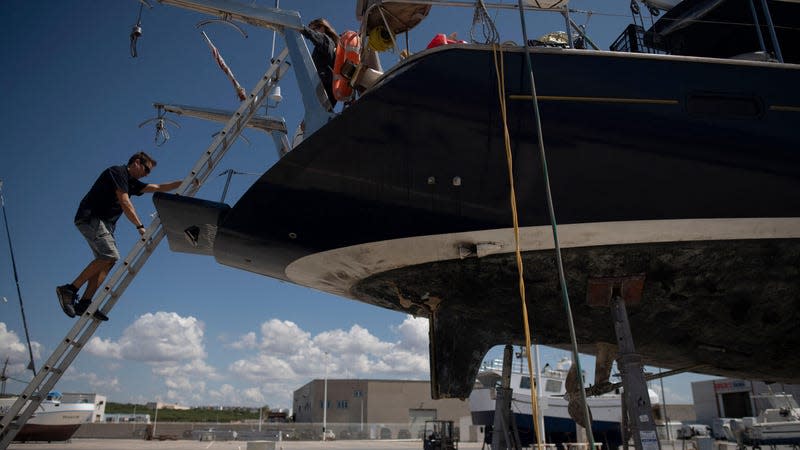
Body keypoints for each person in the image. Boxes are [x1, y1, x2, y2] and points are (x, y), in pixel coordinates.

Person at [56, 151, 181, 321]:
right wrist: (140, 226)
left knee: (108, 261)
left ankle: (85, 302)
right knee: (109, 255)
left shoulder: (131, 183)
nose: (146, 174)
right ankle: (69, 289)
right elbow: (125, 202)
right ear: (136, 162)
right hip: (91, 218)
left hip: (105, 224)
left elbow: (158, 188)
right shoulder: (118, 172)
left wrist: (186, 182)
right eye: (146, 170)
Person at [301, 17, 339, 111]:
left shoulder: (326, 40)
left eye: (314, 29)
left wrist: (300, 28)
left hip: (325, 87)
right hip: (328, 90)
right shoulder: (330, 44)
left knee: (319, 115)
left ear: (322, 28)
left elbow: (314, 36)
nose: (314, 32)